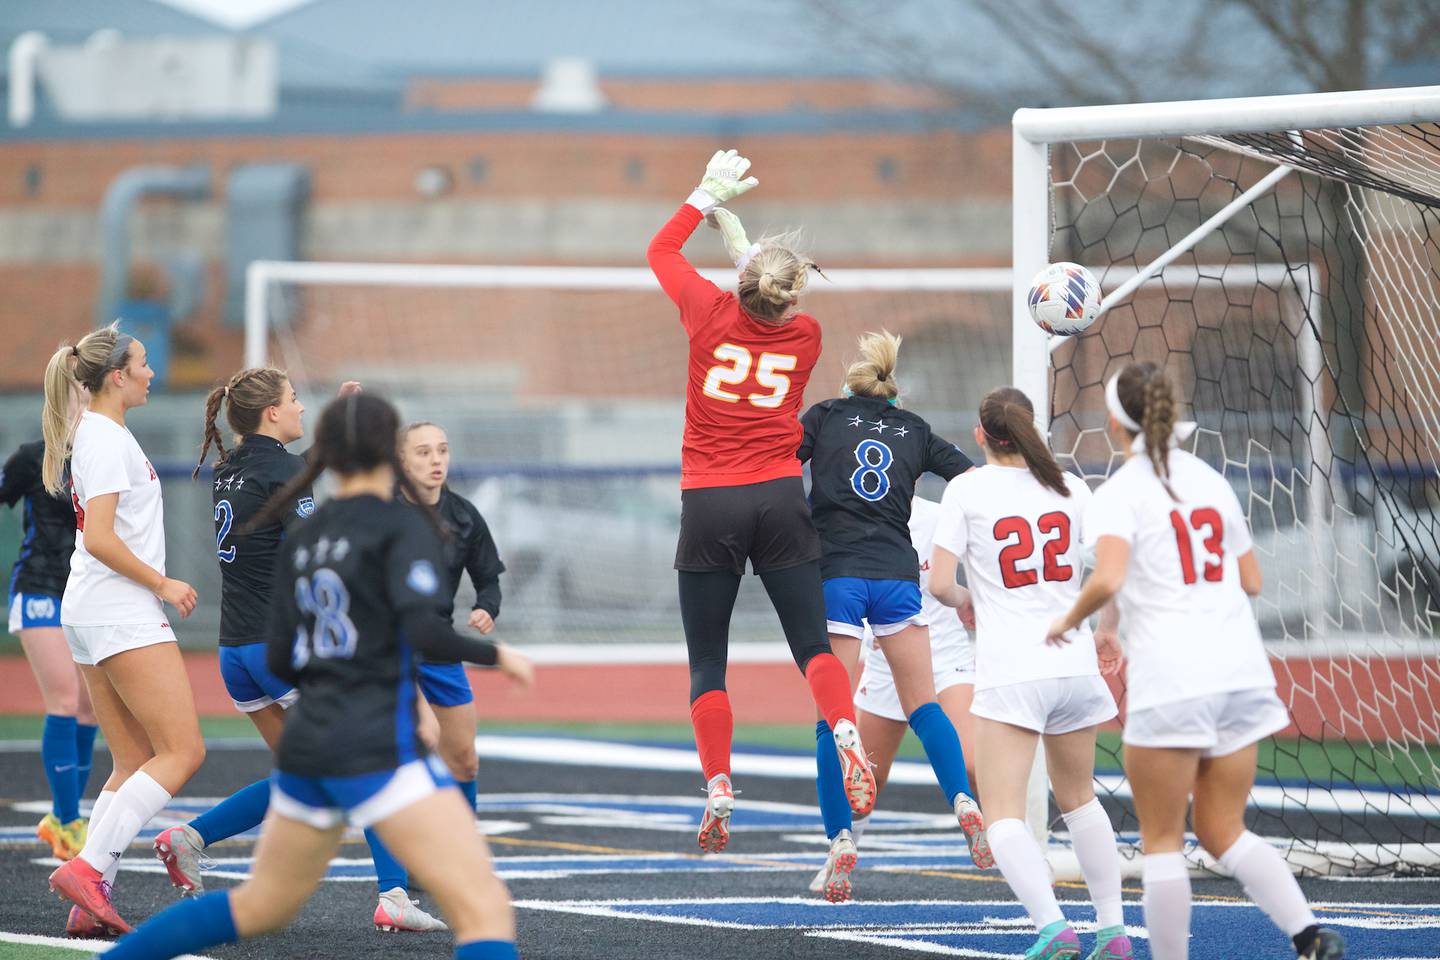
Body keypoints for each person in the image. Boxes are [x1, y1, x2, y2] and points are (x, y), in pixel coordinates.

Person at [101, 392, 532, 960]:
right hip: (372, 742)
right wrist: (496, 656)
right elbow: (423, 632)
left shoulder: (308, 531)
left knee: (260, 906)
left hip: (311, 745)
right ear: (390, 453)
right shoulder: (401, 528)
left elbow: (282, 654)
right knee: (482, 906)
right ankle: (394, 894)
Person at [1044, 363, 1345, 960]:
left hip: (1174, 679)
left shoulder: (1121, 492)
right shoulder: (1209, 479)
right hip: (1240, 674)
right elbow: (1252, 580)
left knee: (1161, 841)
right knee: (1223, 829)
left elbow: (1108, 576)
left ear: (1113, 423)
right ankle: (1308, 935)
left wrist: (1067, 618)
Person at [150, 368, 449, 933]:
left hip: (235, 654)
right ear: (271, 414)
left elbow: (285, 478)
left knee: (300, 778)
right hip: (278, 648)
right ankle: (392, 894)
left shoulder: (231, 467)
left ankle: (189, 836)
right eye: (293, 401)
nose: (301, 409)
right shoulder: (281, 470)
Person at [647, 149, 876, 854]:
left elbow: (660, 249)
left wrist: (701, 196)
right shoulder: (806, 334)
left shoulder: (708, 312)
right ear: (789, 291)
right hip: (779, 496)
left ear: (743, 283)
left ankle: (718, 784)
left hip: (710, 501)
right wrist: (749, 256)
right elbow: (776, 307)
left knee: (708, 663)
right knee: (812, 645)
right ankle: (844, 727)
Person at [929, 386, 1128, 960]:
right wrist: (1107, 630)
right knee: (1081, 802)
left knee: (1002, 816)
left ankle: (1054, 930)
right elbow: (1112, 569)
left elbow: (940, 583)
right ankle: (1112, 933)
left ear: (981, 435)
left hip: (1012, 671)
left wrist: (966, 599)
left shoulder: (966, 488)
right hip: (1073, 663)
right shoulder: (1071, 485)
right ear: (1030, 428)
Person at [797, 330, 988, 902]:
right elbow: (971, 479)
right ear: (894, 399)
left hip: (837, 578)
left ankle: (840, 842)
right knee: (923, 704)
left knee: (833, 715)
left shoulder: (824, 416)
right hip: (897, 578)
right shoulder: (915, 430)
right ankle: (962, 800)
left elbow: (777, 462)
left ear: (847, 390)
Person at [40, 323, 204, 938]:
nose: (151, 372)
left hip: (92, 607)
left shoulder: (99, 433)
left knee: (133, 757)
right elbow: (102, 537)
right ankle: (89, 868)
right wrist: (162, 584)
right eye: (143, 363)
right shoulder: (105, 437)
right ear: (117, 376)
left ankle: (90, 894)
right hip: (118, 608)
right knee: (183, 750)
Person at [808, 495, 980, 902]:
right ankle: (842, 853)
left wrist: (969, 598)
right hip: (887, 663)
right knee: (868, 776)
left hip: (946, 656)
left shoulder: (943, 515)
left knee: (974, 762)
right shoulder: (853, 513)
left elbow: (969, 575)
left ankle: (1003, 840)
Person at [398, 421, 504, 804]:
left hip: (441, 652)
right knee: (398, 766)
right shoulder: (380, 513)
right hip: (387, 655)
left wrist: (486, 607)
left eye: (442, 450)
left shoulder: (464, 516)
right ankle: (400, 864)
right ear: (402, 461)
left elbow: (489, 580)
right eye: (423, 452)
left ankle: (459, 860)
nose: (435, 460)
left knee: (464, 762)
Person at [2, 434, 97, 861]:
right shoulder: (33, 455)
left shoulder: (106, 449)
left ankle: (67, 819)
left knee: (89, 708)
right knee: (63, 700)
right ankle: (66, 819)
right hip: (39, 589)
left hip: (84, 592)